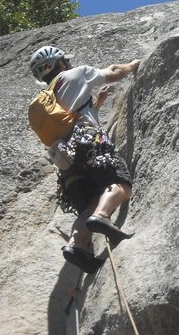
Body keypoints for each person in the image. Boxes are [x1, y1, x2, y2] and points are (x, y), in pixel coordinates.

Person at [29, 45, 140, 269]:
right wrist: (134, 65)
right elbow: (113, 71)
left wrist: (97, 102)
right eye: (64, 60)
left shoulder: (46, 98)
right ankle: (102, 217)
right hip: (90, 143)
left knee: (91, 201)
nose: (68, 63)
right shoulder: (76, 73)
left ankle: (77, 246)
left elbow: (71, 120)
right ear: (59, 63)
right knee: (120, 185)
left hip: (66, 162)